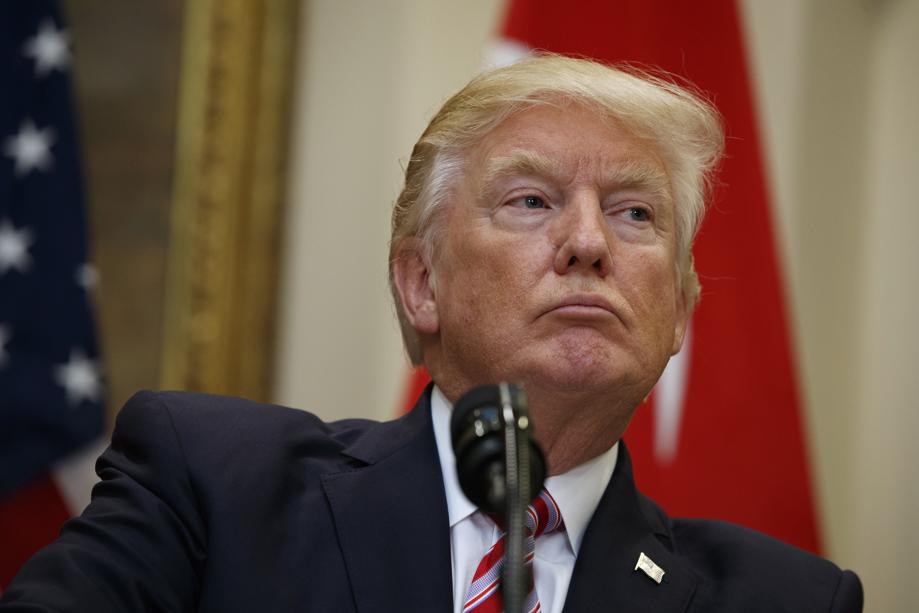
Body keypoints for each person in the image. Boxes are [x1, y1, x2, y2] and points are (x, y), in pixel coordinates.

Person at [0, 54, 862, 612]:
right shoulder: (213, 488)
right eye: (531, 200)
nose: (589, 243)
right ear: (421, 283)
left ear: (677, 311)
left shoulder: (786, 598)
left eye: (635, 212)